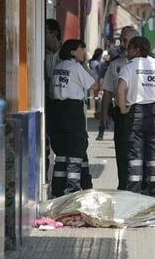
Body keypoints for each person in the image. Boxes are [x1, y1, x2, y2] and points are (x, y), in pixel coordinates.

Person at [116, 36, 155, 199]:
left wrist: (123, 109)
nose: (127, 50)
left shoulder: (128, 67)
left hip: (135, 113)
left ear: (137, 49)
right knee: (154, 158)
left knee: (135, 157)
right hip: (152, 112)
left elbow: (119, 90)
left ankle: (133, 195)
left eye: (130, 47)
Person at [50, 39, 96, 197]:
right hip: (73, 111)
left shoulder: (58, 67)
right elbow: (93, 85)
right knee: (76, 151)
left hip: (57, 110)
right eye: (81, 50)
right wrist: (85, 65)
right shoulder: (76, 67)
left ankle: (57, 191)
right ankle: (73, 192)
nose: (84, 53)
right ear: (72, 52)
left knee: (61, 154)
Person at [101, 27, 140, 190]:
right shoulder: (115, 64)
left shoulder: (148, 63)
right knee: (122, 151)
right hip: (121, 115)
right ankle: (123, 185)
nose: (122, 44)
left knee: (138, 152)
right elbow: (108, 92)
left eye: (126, 40)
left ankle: (139, 188)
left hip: (140, 113)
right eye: (121, 40)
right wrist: (104, 115)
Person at [45, 19, 62, 184]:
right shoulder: (40, 53)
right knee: (44, 146)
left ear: (53, 34)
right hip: (45, 103)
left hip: (62, 106)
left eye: (45, 33)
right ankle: (47, 181)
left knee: (62, 146)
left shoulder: (65, 54)